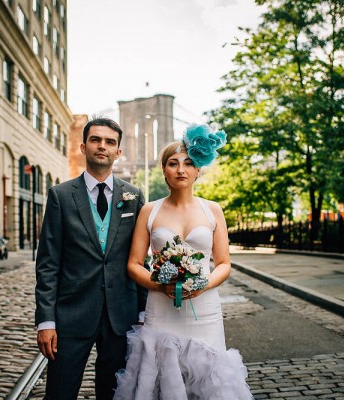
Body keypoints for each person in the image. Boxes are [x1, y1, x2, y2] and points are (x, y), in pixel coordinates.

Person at [114, 124, 254, 399]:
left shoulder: (213, 210)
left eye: (188, 163)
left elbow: (224, 264)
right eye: (173, 163)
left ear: (198, 170)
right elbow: (133, 264)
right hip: (161, 309)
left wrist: (203, 284)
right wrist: (159, 285)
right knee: (160, 375)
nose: (181, 169)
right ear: (163, 170)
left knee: (209, 379)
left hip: (206, 309)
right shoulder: (149, 211)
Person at [35, 117, 146, 400]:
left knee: (113, 394)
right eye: (96, 140)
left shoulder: (134, 196)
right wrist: (46, 321)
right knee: (60, 393)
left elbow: (141, 258)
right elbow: (48, 263)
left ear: (118, 152)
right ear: (83, 146)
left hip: (121, 315)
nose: (102, 146)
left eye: (110, 142)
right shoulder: (60, 195)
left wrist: (146, 313)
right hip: (71, 315)